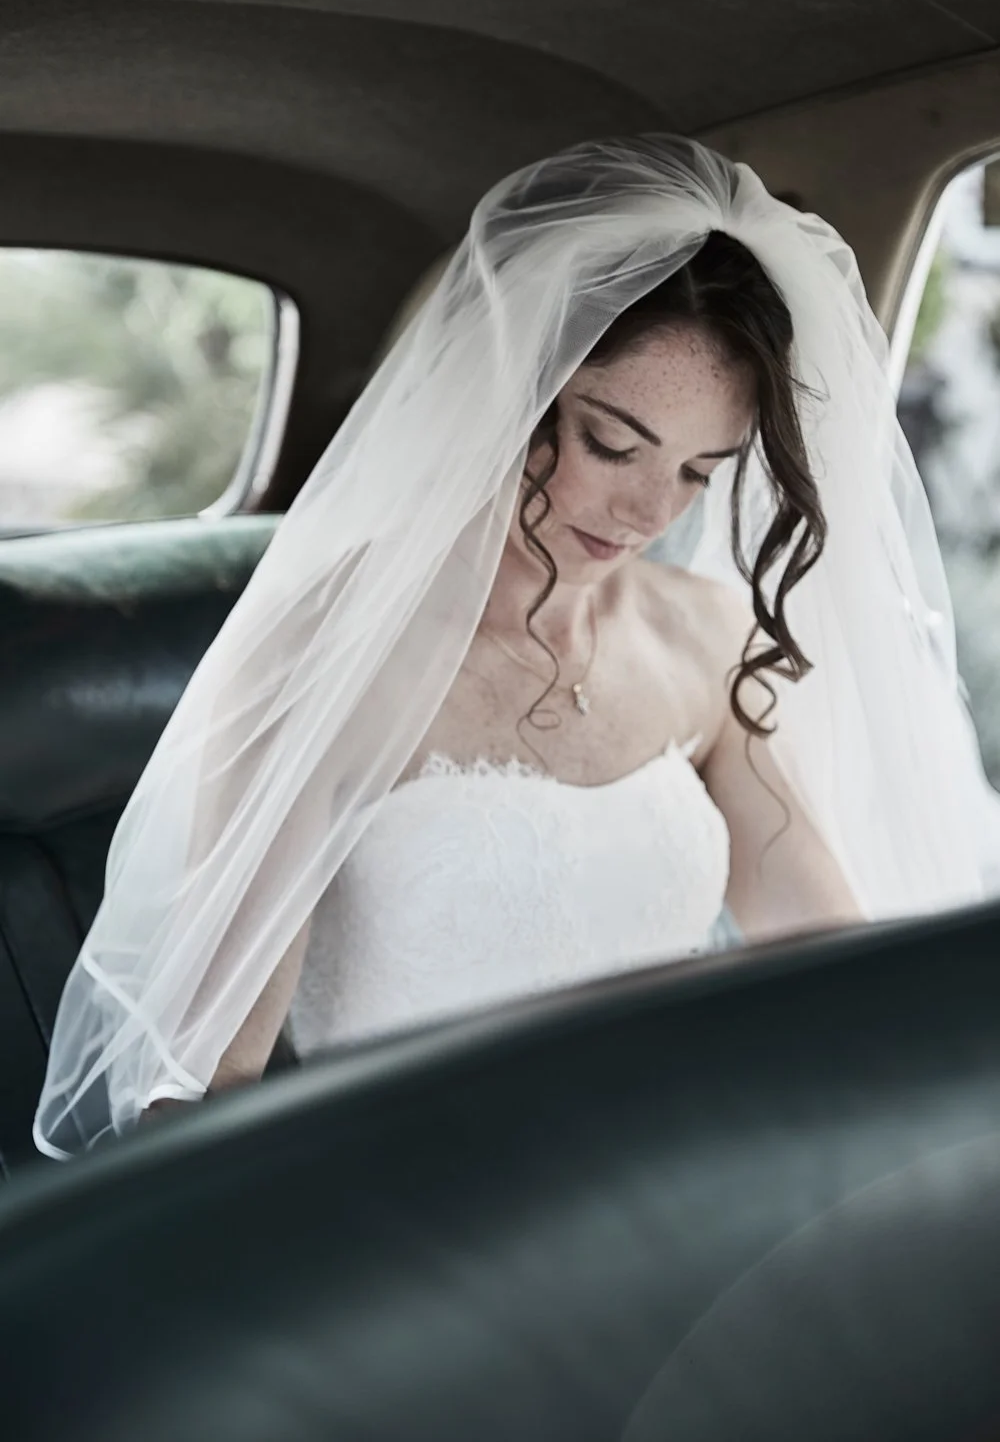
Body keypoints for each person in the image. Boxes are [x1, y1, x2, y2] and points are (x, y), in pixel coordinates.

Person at [34, 135, 1000, 1159]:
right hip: (415, 1211)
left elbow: (834, 968)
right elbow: (207, 1081)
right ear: (512, 391)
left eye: (695, 472)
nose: (644, 508)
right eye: (610, 442)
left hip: (687, 1174)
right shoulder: (328, 657)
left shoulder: (706, 641)